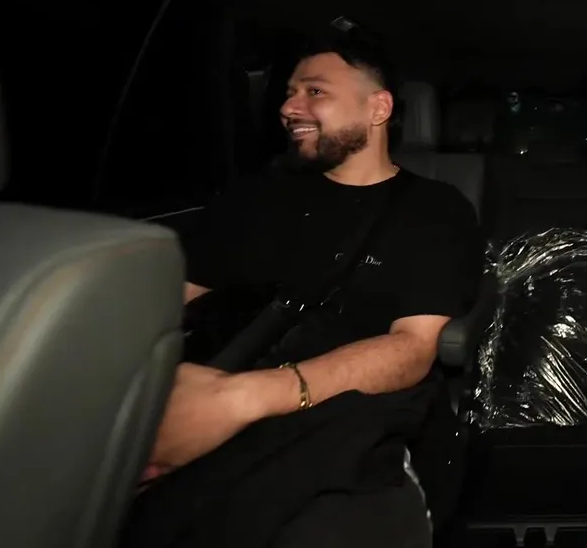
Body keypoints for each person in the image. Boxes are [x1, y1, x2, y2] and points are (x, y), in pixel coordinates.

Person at [132, 34, 483, 548]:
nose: (289, 107)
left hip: (348, 416)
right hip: (207, 383)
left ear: (378, 108)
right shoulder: (252, 196)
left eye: (315, 91)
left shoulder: (434, 209)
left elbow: (411, 349)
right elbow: (171, 306)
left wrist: (241, 399)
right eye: (289, 93)